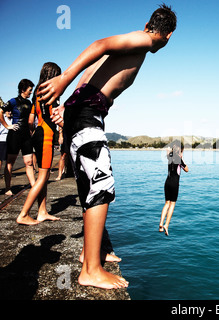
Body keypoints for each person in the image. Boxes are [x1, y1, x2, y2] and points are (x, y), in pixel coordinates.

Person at [39, 4, 177, 290]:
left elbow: (92, 71)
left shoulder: (137, 43)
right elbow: (99, 45)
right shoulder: (145, 39)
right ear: (169, 35)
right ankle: (90, 270)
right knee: (101, 185)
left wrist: (67, 106)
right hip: (87, 114)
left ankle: (91, 253)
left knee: (88, 187)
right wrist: (64, 80)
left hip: (83, 111)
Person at [16, 63, 62, 225]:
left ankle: (42, 212)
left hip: (38, 132)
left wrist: (34, 133)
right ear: (53, 75)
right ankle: (23, 214)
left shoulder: (37, 92)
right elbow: (55, 115)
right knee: (43, 177)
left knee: (43, 175)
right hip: (47, 136)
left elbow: (31, 119)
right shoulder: (51, 91)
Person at [0, 79, 36, 196]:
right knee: (10, 162)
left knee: (29, 162)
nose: (31, 92)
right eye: (29, 90)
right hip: (14, 134)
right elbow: (0, 111)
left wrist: (32, 131)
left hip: (26, 135)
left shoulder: (30, 103)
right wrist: (7, 126)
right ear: (22, 89)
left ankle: (34, 186)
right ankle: (7, 188)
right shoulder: (13, 101)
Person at [159, 141, 188, 236]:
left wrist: (173, 149)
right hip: (174, 184)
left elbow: (168, 150)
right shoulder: (179, 159)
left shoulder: (169, 156)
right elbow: (187, 169)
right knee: (172, 204)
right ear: (180, 150)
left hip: (167, 183)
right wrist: (182, 156)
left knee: (167, 203)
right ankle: (166, 225)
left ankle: (160, 224)